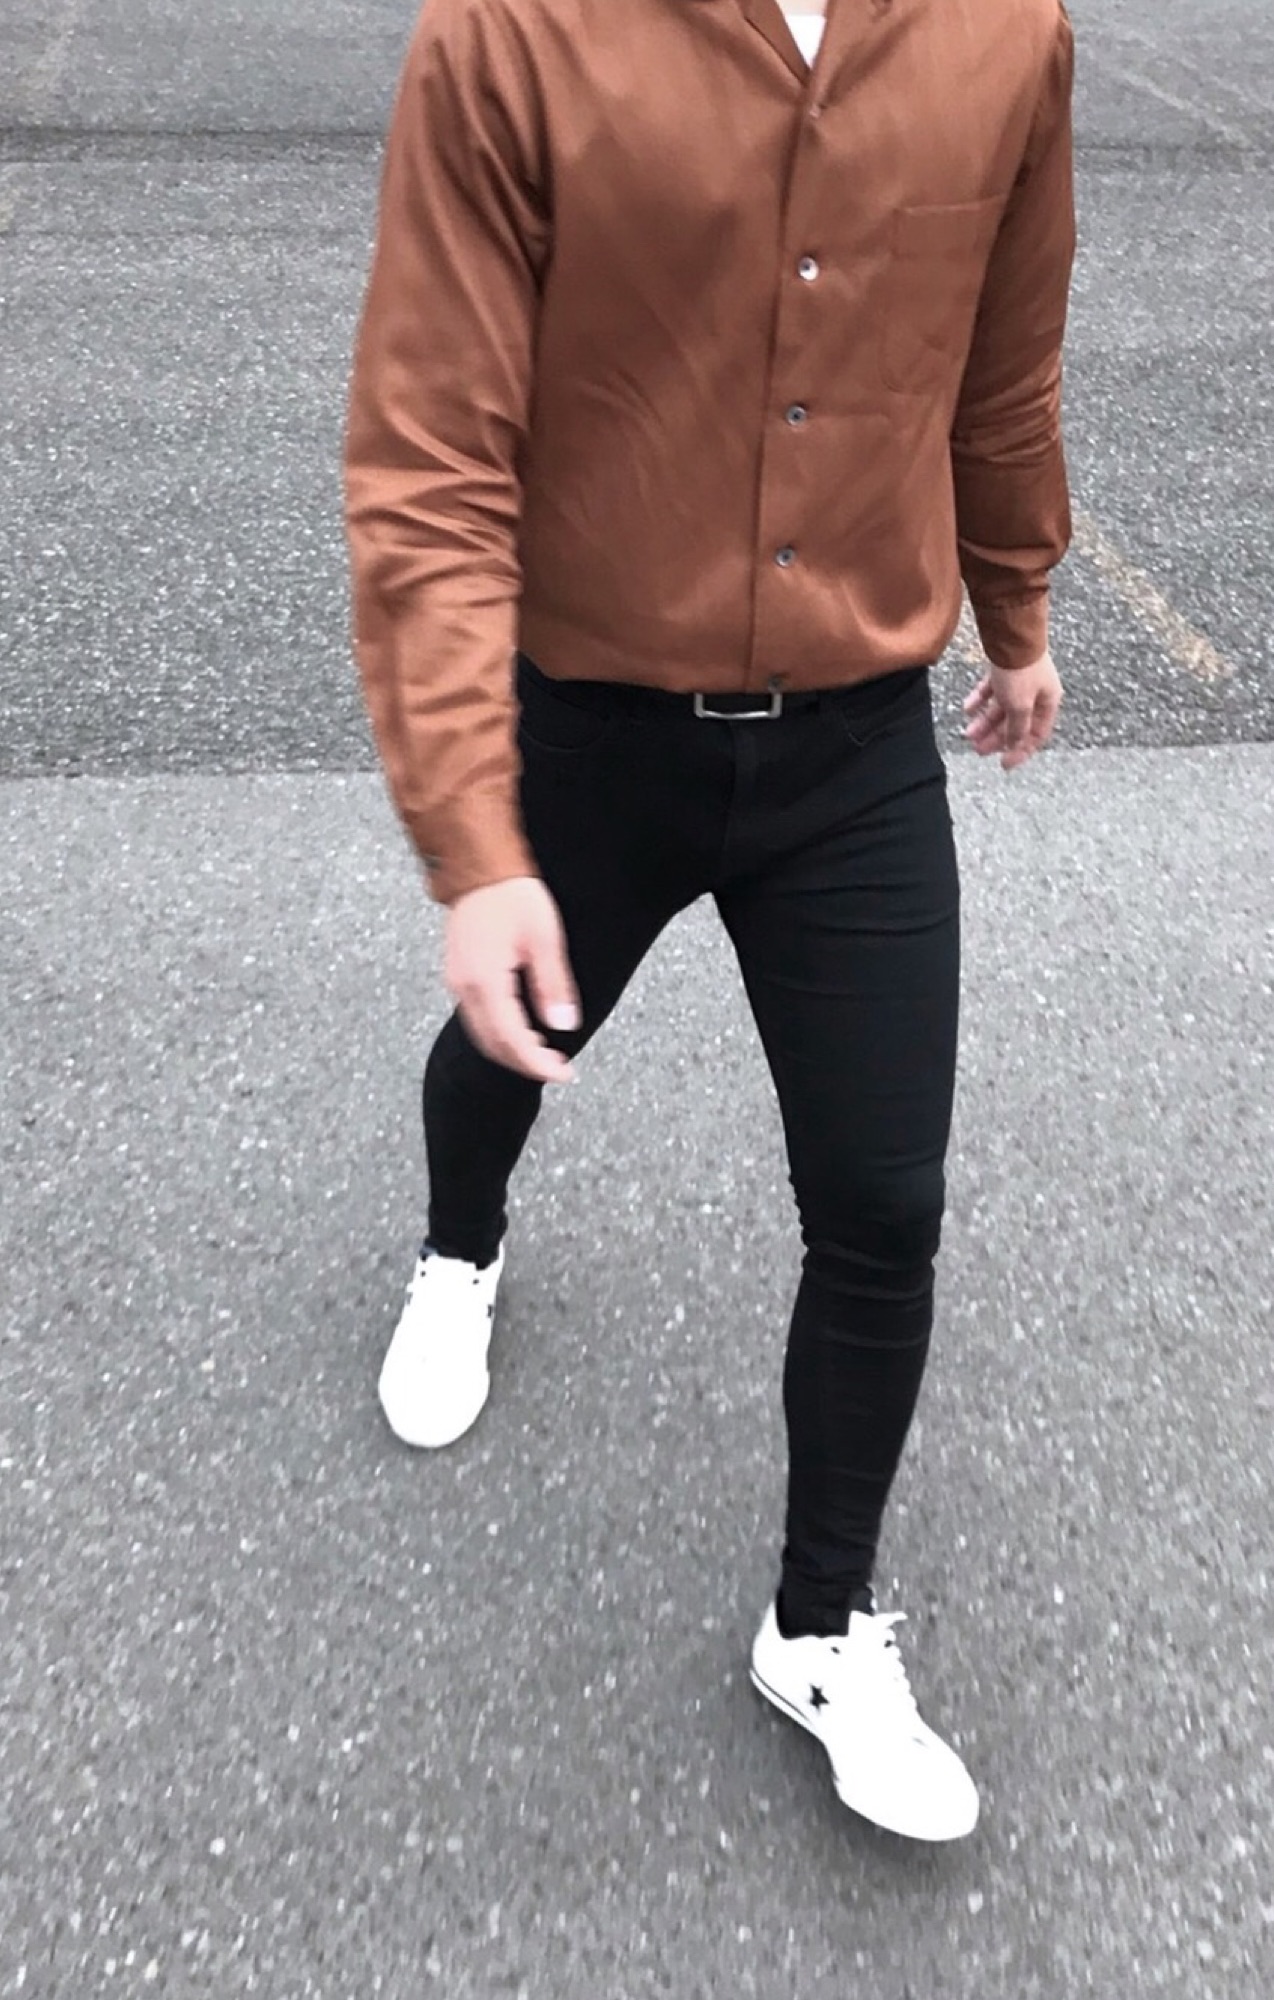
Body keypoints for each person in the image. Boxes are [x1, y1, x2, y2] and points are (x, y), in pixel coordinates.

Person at [344, 0, 1075, 1843]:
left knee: (885, 1203)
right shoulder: (512, 34)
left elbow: (1003, 356)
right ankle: (458, 1252)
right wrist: (472, 839)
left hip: (854, 752)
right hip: (597, 728)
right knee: (518, 1038)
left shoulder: (1008, 32)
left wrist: (1018, 611)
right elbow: (430, 453)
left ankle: (818, 1627)